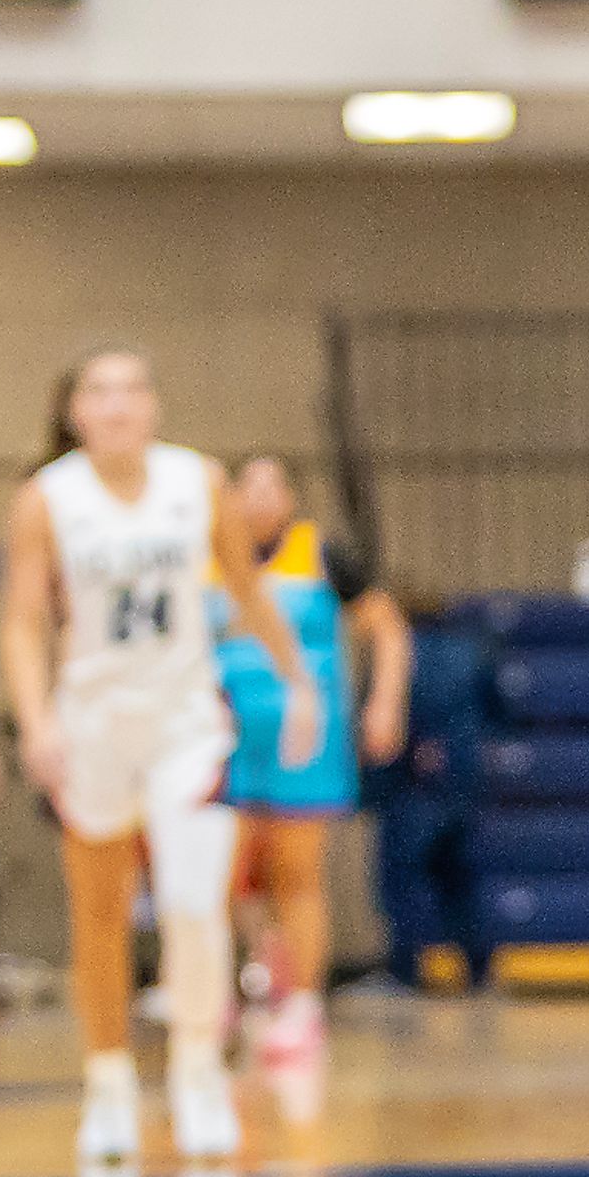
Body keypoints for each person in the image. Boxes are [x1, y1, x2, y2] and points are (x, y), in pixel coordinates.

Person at [2, 348, 319, 1165]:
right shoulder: (47, 499)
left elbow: (247, 592)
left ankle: (197, 1077)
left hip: (185, 721)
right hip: (94, 721)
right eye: (98, 391)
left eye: (133, 389)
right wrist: (37, 721)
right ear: (75, 412)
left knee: (192, 902)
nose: (117, 405)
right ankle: (107, 1086)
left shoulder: (196, 482)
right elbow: (20, 623)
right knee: (101, 912)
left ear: (154, 407)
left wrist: (300, 684)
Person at [215, 453, 410, 1061]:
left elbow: (389, 629)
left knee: (295, 874)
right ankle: (228, 984)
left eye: (275, 485)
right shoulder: (204, 557)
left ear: (293, 498)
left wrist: (384, 703)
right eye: (248, 485)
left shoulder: (321, 555)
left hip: (306, 736)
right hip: (220, 736)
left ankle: (302, 1005)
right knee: (218, 877)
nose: (261, 497)